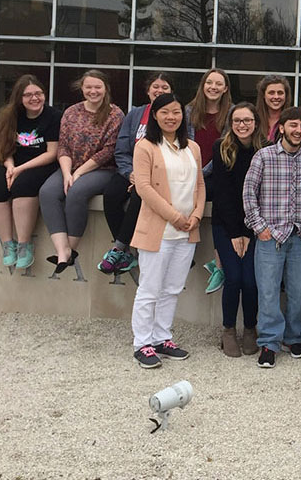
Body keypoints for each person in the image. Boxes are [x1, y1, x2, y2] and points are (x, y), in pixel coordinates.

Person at [130, 93, 205, 369]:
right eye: (165, 113)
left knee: (172, 289)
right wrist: (175, 216)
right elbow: (144, 188)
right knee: (149, 288)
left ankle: (162, 337)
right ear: (155, 116)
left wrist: (195, 215)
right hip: (159, 230)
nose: (171, 117)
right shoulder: (146, 146)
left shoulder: (192, 148)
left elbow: (199, 185)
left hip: (187, 231)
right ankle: (143, 343)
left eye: (176, 112)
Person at [244, 107, 301, 369]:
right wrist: (259, 226)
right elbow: (249, 193)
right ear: (282, 128)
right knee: (268, 292)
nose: (298, 130)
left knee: (299, 292)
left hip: (300, 235)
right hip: (269, 235)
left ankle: (293, 338)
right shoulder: (263, 156)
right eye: (293, 125)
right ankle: (269, 342)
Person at [39, 70, 124, 273]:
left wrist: (78, 175)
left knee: (76, 192)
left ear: (105, 89)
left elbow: (109, 151)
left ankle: (71, 248)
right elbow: (64, 146)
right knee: (47, 192)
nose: (93, 91)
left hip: (102, 169)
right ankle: (62, 251)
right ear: (82, 88)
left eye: (97, 87)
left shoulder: (115, 114)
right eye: (88, 87)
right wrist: (68, 173)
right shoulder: (71, 112)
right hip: (70, 165)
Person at [98, 71, 173, 275]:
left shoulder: (175, 115)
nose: (159, 91)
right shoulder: (135, 114)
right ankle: (126, 252)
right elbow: (121, 149)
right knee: (111, 195)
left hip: (158, 176)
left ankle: (119, 249)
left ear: (171, 91)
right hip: (130, 171)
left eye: (164, 87)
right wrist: (131, 172)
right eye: (155, 87)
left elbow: (179, 149)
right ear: (148, 90)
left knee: (139, 195)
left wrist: (145, 178)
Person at [0, 74, 61, 270]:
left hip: (41, 163)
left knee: (23, 185)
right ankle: (8, 243)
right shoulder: (11, 115)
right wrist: (10, 167)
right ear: (20, 98)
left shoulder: (53, 116)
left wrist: (19, 170)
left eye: (38, 93)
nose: (34, 98)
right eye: (28, 95)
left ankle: (24, 244)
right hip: (13, 161)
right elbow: (4, 147)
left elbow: (52, 153)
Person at [212, 103, 259, 358]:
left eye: (247, 120)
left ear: (255, 122)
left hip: (254, 226)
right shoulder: (221, 148)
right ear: (231, 122)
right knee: (234, 278)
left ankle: (250, 328)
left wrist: (247, 231)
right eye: (237, 120)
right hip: (225, 225)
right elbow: (222, 193)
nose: (242, 125)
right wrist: (235, 233)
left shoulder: (263, 149)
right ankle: (228, 329)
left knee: (251, 281)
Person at [185, 68, 232, 291]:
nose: (213, 87)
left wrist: (200, 174)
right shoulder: (188, 111)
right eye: (209, 82)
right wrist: (192, 173)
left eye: (218, 84)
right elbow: (181, 144)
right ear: (203, 85)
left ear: (225, 89)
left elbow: (224, 148)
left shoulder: (232, 114)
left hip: (215, 175)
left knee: (220, 205)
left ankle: (219, 262)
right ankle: (184, 256)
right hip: (188, 173)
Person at [254, 74, 291, 148]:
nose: (276, 97)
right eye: (271, 93)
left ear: (286, 96)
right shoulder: (253, 118)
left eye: (280, 93)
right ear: (263, 95)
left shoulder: (292, 119)